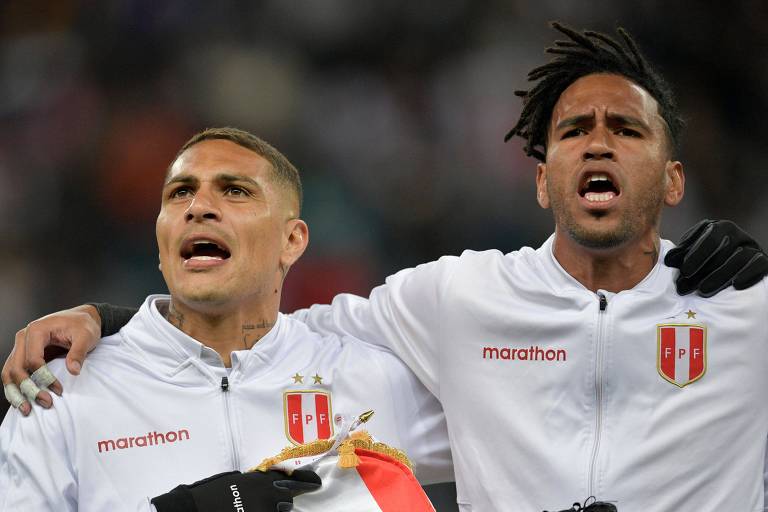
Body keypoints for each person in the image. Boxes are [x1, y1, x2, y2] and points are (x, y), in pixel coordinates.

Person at [4, 22, 768, 511]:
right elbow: (245, 332)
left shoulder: (750, 308)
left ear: (674, 177)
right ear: (539, 177)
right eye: (573, 129)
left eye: (627, 129)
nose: (598, 144)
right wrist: (114, 323)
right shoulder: (457, 299)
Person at [0, 128, 453, 511]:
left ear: (291, 241)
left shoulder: (375, 380)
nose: (198, 206)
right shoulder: (63, 392)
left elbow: (513, 452)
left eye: (234, 190)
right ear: (160, 240)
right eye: (180, 193)